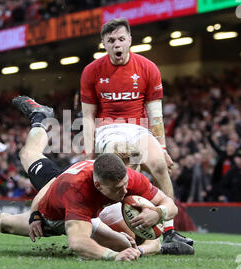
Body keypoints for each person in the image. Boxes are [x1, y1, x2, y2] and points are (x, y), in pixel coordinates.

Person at [0, 95, 181, 260]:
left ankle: (40, 118)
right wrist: (35, 215)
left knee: (126, 244)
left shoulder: (127, 178)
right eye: (118, 188)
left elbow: (168, 207)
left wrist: (158, 213)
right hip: (53, 215)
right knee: (6, 225)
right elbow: (76, 242)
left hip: (83, 212)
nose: (125, 192)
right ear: (99, 184)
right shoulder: (77, 189)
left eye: (126, 183)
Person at [80, 18, 193, 251]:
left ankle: (170, 232)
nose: (117, 45)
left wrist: (162, 148)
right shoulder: (91, 71)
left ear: (130, 40)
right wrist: (88, 154)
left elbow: (156, 116)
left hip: (138, 127)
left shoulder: (148, 67)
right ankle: (129, 229)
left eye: (121, 39)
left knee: (160, 166)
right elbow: (88, 116)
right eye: (111, 40)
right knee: (124, 163)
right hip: (107, 128)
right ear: (103, 43)